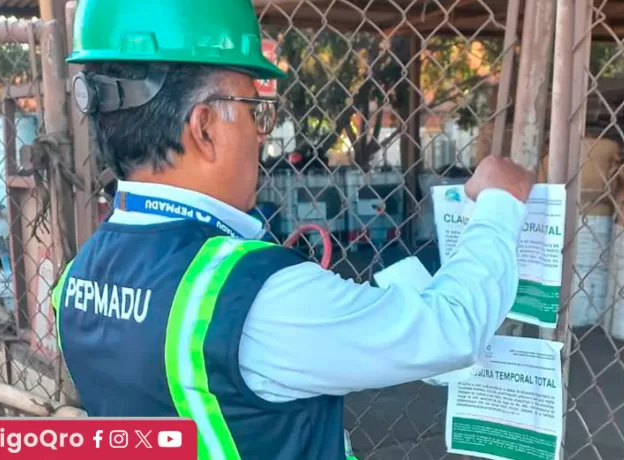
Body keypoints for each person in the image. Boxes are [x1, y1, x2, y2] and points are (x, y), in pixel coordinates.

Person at [52, 0, 534, 458]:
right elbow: (449, 329)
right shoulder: (253, 298)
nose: (261, 135)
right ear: (204, 128)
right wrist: (498, 204)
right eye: (254, 111)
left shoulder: (75, 280)